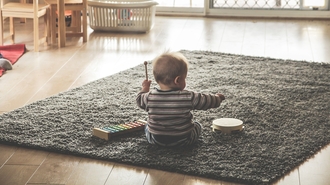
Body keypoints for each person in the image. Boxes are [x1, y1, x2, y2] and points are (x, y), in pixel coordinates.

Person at [136, 51, 225, 147]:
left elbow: (139, 99)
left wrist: (145, 88)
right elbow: (206, 100)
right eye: (184, 78)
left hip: (156, 140)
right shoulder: (188, 97)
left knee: (147, 126)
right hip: (184, 140)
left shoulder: (149, 97)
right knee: (197, 125)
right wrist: (217, 98)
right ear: (177, 80)